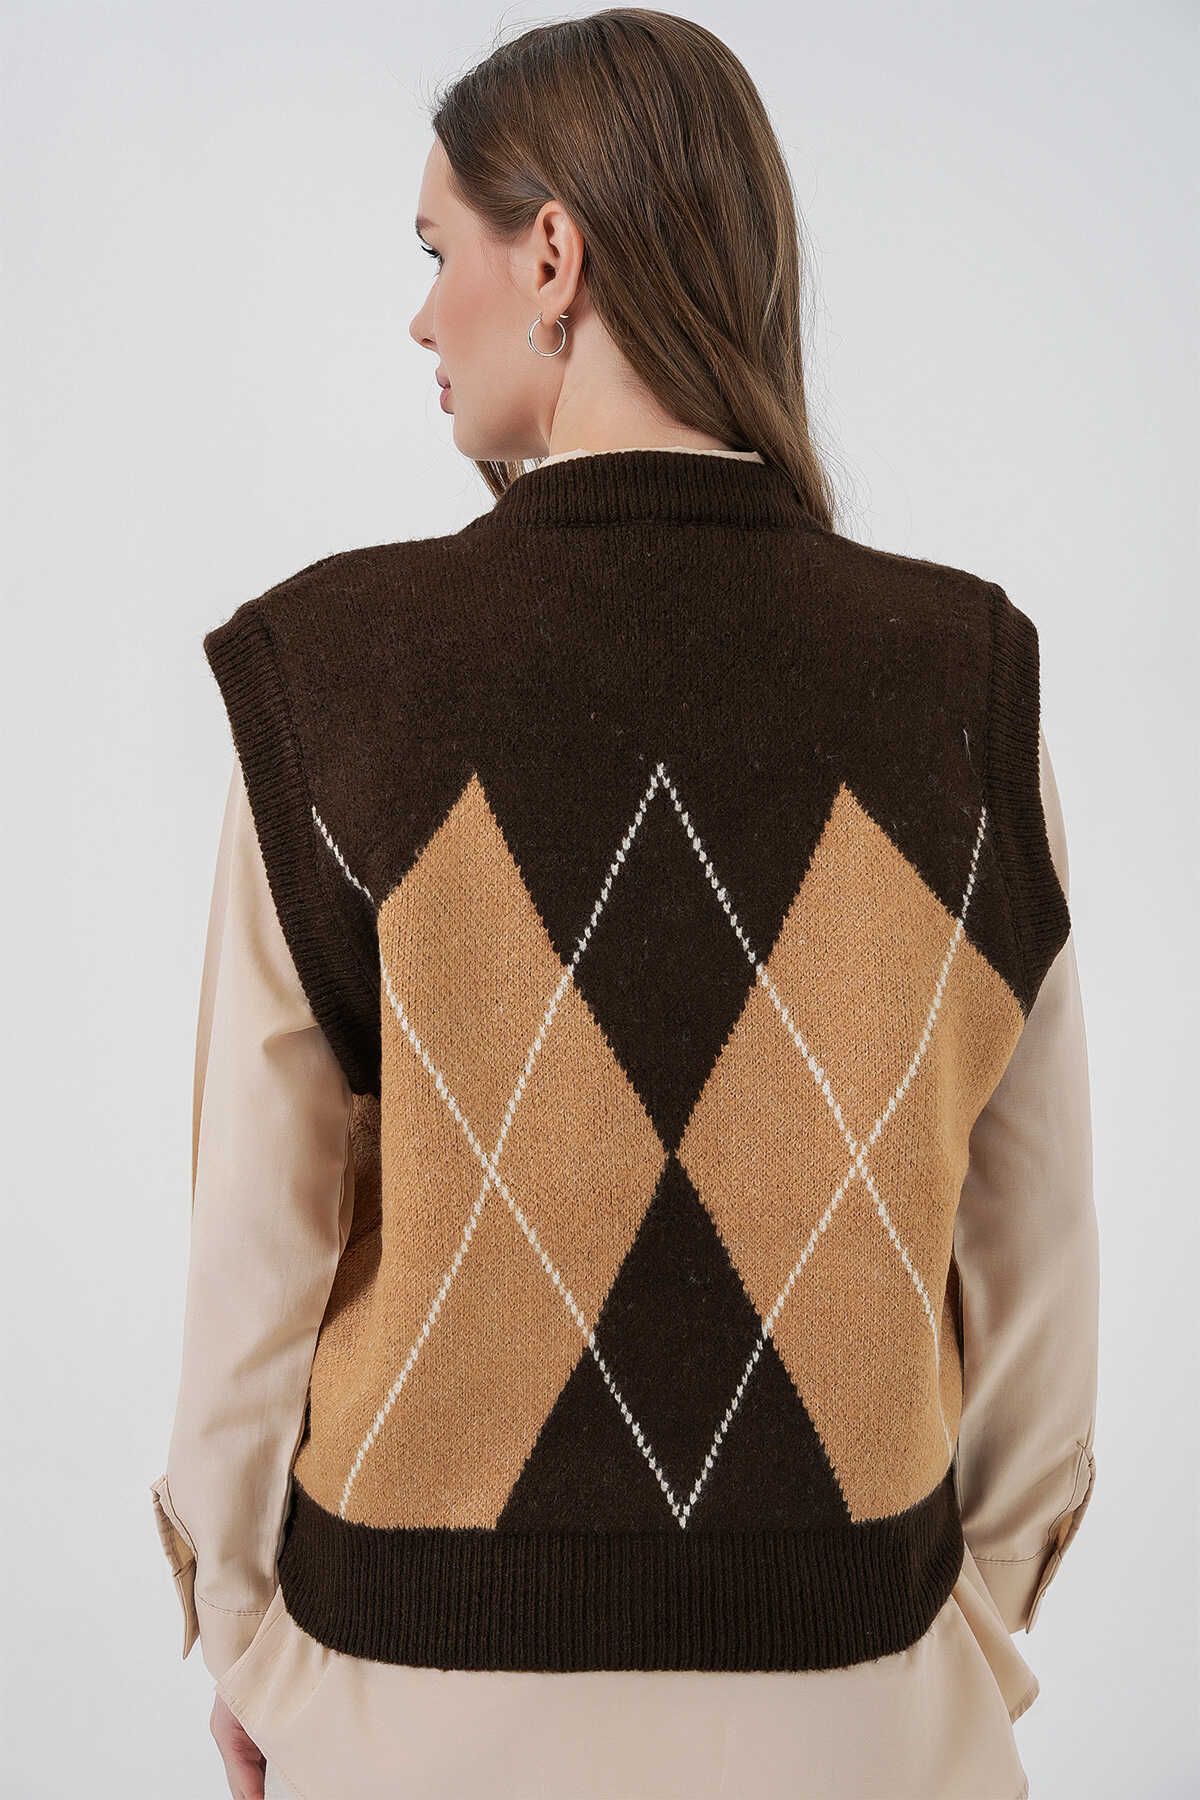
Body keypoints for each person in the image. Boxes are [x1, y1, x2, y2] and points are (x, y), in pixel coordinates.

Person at [150, 11, 1099, 1800]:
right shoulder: (963, 678)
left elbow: (257, 1249)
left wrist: (254, 1637)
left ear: (554, 256)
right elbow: (1030, 1243)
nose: (421, 318)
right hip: (866, 1710)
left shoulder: (336, 674)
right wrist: (948, 1637)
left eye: (437, 250)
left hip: (410, 1706)